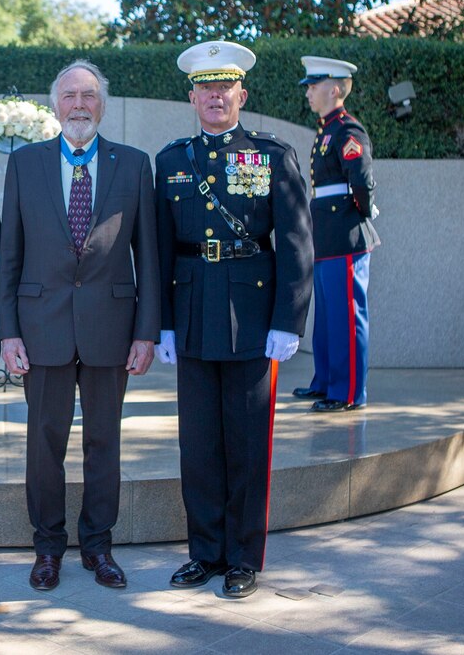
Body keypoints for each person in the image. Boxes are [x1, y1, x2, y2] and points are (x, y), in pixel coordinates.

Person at [155, 41, 313, 598]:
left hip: (253, 314)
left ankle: (244, 556)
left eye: (225, 87)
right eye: (206, 87)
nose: (215, 96)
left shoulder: (272, 154)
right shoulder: (172, 160)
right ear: (192, 95)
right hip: (193, 312)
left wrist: (289, 319)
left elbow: (296, 239)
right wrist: (163, 324)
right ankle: (205, 552)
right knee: (197, 445)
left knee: (247, 441)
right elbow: (159, 249)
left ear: (241, 94)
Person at [0, 60, 160, 591]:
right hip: (40, 325)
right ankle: (47, 548)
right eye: (69, 95)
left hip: (111, 328)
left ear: (103, 104)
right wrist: (8, 331)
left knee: (103, 442)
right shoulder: (24, 165)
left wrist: (147, 331)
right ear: (54, 105)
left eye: (89, 95)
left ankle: (98, 546)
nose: (79, 105)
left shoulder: (134, 165)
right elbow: (9, 257)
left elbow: (149, 258)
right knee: (43, 442)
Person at [292, 57, 380, 412]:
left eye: (314, 86)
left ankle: (347, 393)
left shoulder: (348, 131)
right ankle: (326, 382)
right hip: (328, 235)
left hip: (345, 234)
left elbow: (362, 184)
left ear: (334, 88)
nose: (309, 92)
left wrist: (355, 215)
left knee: (346, 314)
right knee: (328, 316)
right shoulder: (328, 130)